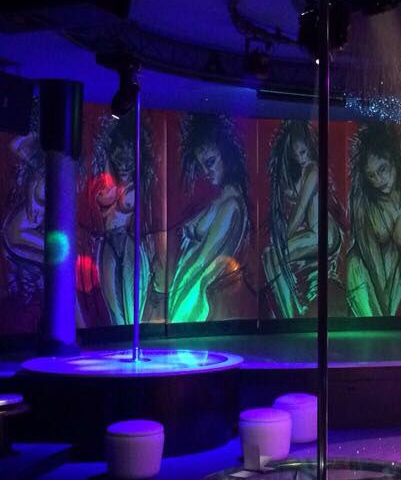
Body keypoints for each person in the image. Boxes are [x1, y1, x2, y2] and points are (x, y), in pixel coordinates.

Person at [169, 113, 251, 323]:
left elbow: (203, 261)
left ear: (227, 155)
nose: (206, 171)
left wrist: (177, 298)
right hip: (189, 289)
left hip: (196, 297)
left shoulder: (231, 205)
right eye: (201, 166)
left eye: (211, 162)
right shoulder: (222, 200)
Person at [262, 120, 341, 318]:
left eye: (303, 152)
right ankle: (292, 311)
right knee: (268, 255)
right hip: (314, 233)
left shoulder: (313, 170)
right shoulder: (304, 171)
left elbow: (301, 208)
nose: (301, 158)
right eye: (296, 155)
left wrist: (284, 238)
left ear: (310, 147)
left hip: (324, 234)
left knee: (275, 255)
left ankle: (293, 315)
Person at [346, 122, 401, 316]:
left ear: (394, 162)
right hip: (366, 280)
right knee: (355, 263)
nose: (378, 180)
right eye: (371, 175)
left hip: (399, 288)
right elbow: (371, 262)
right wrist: (384, 316)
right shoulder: (366, 206)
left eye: (382, 169)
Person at [89, 113, 153, 326]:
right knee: (114, 306)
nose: (124, 165)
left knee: (131, 302)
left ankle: (134, 338)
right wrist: (108, 154)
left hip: (129, 243)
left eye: (129, 161)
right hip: (107, 242)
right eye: (120, 159)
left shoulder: (140, 184)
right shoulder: (106, 181)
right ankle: (120, 338)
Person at [1, 122, 45, 305]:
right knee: (57, 258)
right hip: (19, 231)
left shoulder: (40, 170)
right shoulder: (39, 170)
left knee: (53, 262)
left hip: (18, 228)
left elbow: (15, 146)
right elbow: (14, 145)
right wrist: (37, 132)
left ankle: (25, 282)